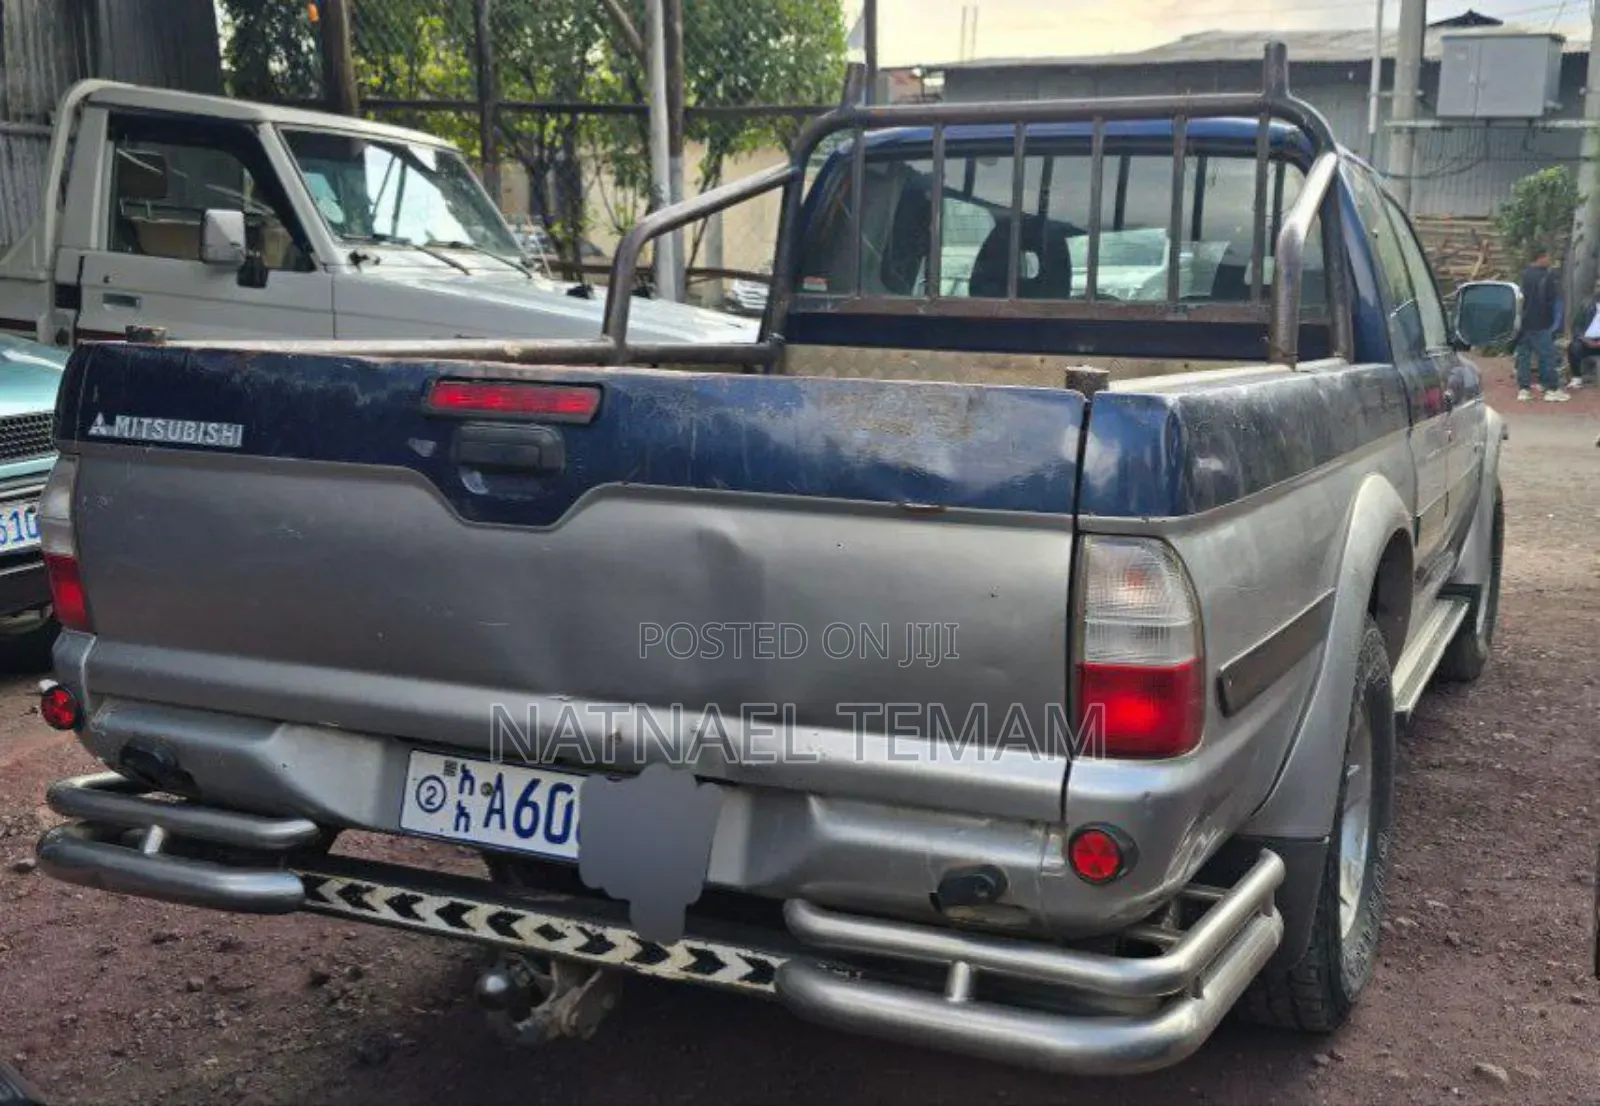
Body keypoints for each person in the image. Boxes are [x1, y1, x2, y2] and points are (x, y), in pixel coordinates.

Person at [1514, 248, 1569, 402]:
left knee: (1524, 355)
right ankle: (1550, 388)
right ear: (1541, 258)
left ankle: (1524, 389)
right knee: (1547, 355)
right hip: (1541, 321)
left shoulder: (1525, 275)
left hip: (1524, 322)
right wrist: (1555, 323)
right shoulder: (1547, 276)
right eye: (1547, 257)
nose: (1549, 261)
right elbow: (1551, 300)